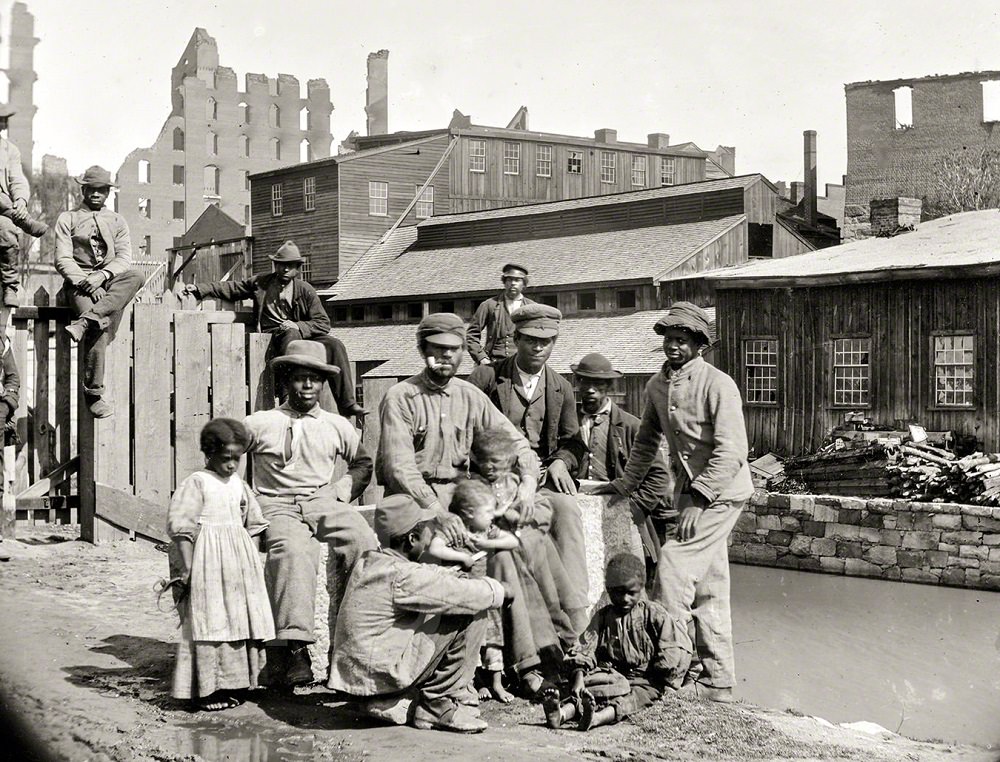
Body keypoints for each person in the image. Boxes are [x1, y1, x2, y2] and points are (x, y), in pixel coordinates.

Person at [589, 302, 753, 703]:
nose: (674, 347)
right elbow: (646, 442)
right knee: (710, 587)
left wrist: (697, 499)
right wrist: (623, 485)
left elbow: (733, 450)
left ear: (699, 345)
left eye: (682, 340)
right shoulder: (656, 386)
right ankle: (718, 682)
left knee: (674, 569)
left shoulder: (718, 384)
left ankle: (673, 673)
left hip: (722, 492)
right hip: (691, 495)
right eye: (669, 339)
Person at [242, 339, 376, 688]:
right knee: (294, 551)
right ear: (286, 381)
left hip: (323, 500)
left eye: (314, 379)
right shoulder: (260, 422)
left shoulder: (335, 425)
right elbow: (226, 459)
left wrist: (339, 490)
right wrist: (244, 500)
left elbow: (363, 464)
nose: (307, 386)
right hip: (276, 502)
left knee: (363, 541)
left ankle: (355, 639)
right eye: (300, 378)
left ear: (323, 384)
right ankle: (295, 648)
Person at [328, 494, 511, 733]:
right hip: (383, 676)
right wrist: (498, 591)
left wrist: (453, 575)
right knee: (471, 609)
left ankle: (405, 700)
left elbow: (426, 576)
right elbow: (455, 594)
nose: (431, 536)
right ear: (412, 538)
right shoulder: (402, 576)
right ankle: (437, 703)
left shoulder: (371, 561)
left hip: (360, 678)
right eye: (428, 531)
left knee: (456, 600)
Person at [467, 304, 589, 629]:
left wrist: (563, 461)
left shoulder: (560, 387)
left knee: (567, 511)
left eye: (546, 341)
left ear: (554, 343)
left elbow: (574, 440)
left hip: (543, 477)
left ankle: (576, 613)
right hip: (493, 476)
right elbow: (465, 425)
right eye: (531, 340)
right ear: (516, 338)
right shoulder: (488, 377)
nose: (538, 347)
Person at [184, 240, 365, 418]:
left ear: (297, 268)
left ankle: (347, 404)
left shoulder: (305, 290)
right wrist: (200, 289)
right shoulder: (261, 284)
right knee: (290, 333)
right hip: (272, 336)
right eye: (281, 265)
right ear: (275, 265)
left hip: (300, 335)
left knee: (335, 344)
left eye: (290, 266)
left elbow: (323, 323)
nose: (285, 269)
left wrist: (299, 325)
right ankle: (289, 396)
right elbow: (232, 287)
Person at [166, 418, 275, 711]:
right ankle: (208, 690)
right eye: (225, 459)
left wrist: (252, 564)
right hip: (208, 561)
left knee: (240, 618)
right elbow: (182, 529)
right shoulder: (198, 483)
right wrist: (188, 569)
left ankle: (240, 683)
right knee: (211, 620)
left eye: (237, 459)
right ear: (208, 454)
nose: (231, 465)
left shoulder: (239, 484)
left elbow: (252, 524)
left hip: (238, 562)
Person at [541, 553, 691, 730]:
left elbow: (671, 646)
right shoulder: (603, 616)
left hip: (645, 678)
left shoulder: (653, 613)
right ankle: (561, 713)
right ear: (609, 590)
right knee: (592, 690)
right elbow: (586, 646)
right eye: (619, 592)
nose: (625, 599)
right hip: (611, 674)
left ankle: (597, 718)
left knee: (637, 697)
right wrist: (579, 677)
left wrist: (667, 681)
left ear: (641, 588)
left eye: (631, 593)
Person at [54, 166, 144, 418]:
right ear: (83, 190)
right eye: (91, 189)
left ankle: (85, 321)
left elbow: (125, 257)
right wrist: (86, 281)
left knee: (137, 275)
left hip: (108, 280)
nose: (96, 194)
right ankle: (93, 394)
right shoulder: (67, 219)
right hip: (78, 284)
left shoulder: (117, 221)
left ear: (108, 192)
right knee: (99, 326)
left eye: (101, 190)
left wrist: (102, 276)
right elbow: (62, 259)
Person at [572, 352, 673, 572]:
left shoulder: (631, 426)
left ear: (608, 386)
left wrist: (635, 507)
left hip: (619, 508)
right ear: (577, 383)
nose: (591, 389)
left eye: (598, 383)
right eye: (585, 381)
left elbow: (659, 477)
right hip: (576, 512)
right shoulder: (567, 422)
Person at [425, 477, 520, 704]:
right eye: (487, 511)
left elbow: (513, 541)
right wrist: (460, 556)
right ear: (468, 513)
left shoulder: (485, 531)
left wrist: (487, 544)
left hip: (484, 594)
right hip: (462, 596)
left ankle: (496, 683)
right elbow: (435, 547)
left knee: (493, 638)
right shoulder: (455, 528)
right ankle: (471, 682)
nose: (492, 516)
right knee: (467, 639)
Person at [0, 105, 47, 312]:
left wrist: (20, 200)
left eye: (2, 120)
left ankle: (10, 286)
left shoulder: (9, 150)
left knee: (8, 230)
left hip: (1, 211)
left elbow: (17, 178)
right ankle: (23, 220)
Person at [466, 263, 535, 365]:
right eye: (509, 280)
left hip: (523, 364)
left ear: (524, 283)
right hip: (493, 363)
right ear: (504, 282)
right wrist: (481, 358)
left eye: (517, 280)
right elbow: (471, 334)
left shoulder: (532, 307)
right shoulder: (489, 305)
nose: (512, 283)